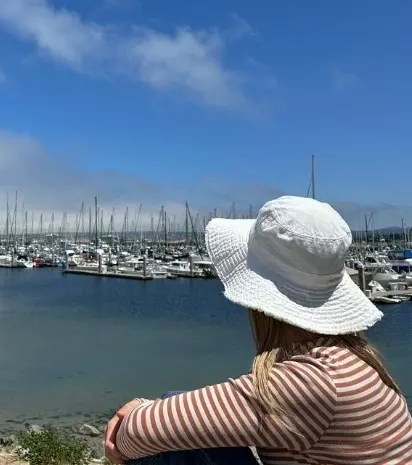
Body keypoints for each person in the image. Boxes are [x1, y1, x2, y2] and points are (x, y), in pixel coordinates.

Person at [104, 196, 412, 464]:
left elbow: (132, 435)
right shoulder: (348, 359)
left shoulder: (313, 383)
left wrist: (139, 410)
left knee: (165, 436)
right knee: (176, 406)